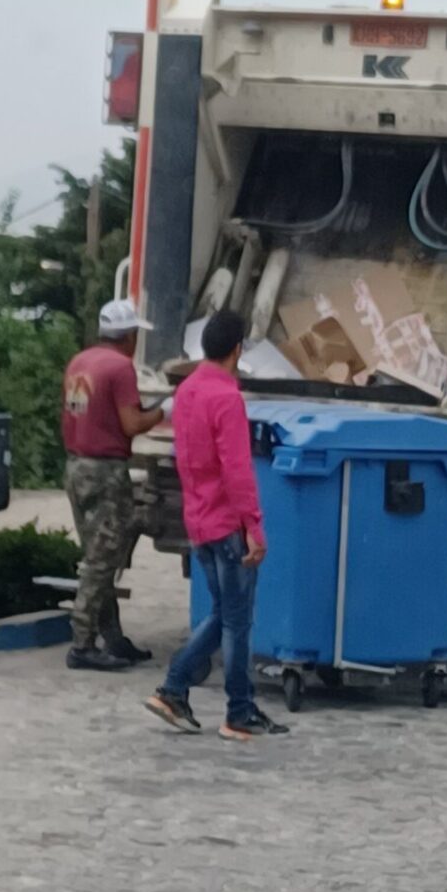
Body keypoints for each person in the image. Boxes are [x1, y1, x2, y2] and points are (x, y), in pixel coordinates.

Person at [145, 309, 289, 741]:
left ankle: (179, 692)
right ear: (237, 350)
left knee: (226, 613)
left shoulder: (187, 391)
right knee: (237, 622)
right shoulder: (226, 398)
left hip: (198, 521)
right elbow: (237, 470)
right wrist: (254, 528)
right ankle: (233, 709)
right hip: (227, 524)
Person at [61, 298, 170, 672]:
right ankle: (82, 643)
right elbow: (131, 424)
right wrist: (163, 411)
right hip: (106, 471)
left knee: (98, 554)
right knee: (102, 560)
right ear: (129, 336)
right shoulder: (121, 368)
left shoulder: (80, 362)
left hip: (76, 466)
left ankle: (113, 638)